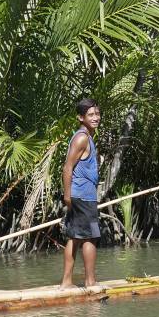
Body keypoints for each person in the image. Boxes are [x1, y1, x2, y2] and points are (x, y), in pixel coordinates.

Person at [60, 98, 101, 288]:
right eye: (91, 115)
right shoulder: (82, 137)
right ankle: (90, 282)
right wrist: (67, 196)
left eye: (97, 114)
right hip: (83, 197)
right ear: (81, 117)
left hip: (80, 196)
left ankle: (66, 282)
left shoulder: (85, 136)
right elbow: (67, 168)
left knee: (75, 238)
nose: (95, 118)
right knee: (90, 238)